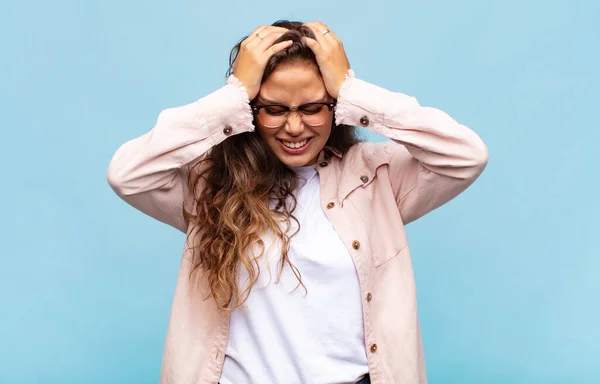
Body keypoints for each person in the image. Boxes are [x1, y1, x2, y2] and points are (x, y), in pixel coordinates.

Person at [107, 20, 488, 384]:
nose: (294, 127)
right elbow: (127, 174)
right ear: (250, 111)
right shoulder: (210, 184)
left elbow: (466, 155)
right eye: (274, 109)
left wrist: (352, 90)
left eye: (312, 108)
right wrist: (232, 96)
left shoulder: (376, 177)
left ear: (335, 107)